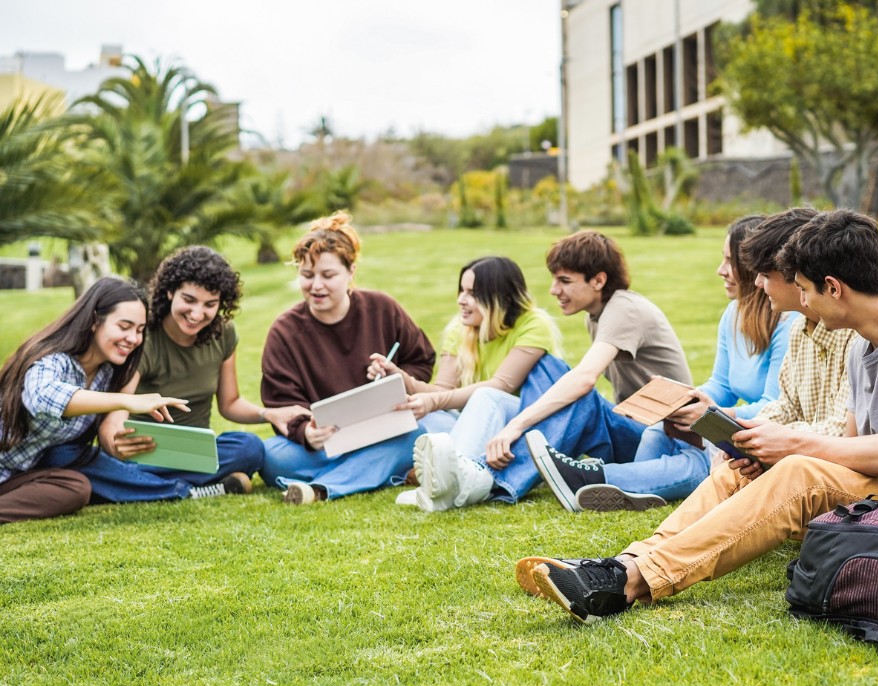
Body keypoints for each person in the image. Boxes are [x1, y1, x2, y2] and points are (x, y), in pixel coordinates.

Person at [521, 209, 878, 625]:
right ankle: (620, 565)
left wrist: (794, 448)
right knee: (738, 475)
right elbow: (850, 449)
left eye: (803, 289)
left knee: (800, 467)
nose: (796, 301)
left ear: (833, 287)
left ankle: (632, 583)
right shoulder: (864, 347)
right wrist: (769, 456)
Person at [407, 230, 693, 512]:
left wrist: (515, 425)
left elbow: (584, 378)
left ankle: (486, 476)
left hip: (665, 438)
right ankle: (467, 470)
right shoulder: (597, 316)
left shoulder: (623, 309)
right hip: (635, 427)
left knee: (579, 395)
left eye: (564, 281)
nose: (554, 290)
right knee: (548, 368)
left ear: (598, 280)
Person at [531, 215, 792, 513]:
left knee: (697, 461)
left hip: (768, 436)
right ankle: (633, 489)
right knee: (661, 427)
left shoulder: (788, 322)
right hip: (737, 427)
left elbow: (776, 405)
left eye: (729, 262)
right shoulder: (733, 314)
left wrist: (716, 413)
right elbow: (721, 385)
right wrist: (687, 401)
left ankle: (597, 478)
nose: (720, 271)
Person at [67, 248, 278, 502]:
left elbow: (230, 403)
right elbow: (114, 417)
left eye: (210, 305)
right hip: (143, 455)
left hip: (194, 455)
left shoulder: (224, 334)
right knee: (77, 460)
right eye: (189, 300)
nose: (197, 314)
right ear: (170, 292)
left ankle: (139, 488)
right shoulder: (144, 337)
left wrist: (269, 414)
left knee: (250, 448)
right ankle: (189, 490)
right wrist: (115, 444)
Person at [260, 212, 438, 505]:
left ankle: (321, 489)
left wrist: (395, 375)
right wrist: (305, 431)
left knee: (423, 431)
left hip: (384, 429)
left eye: (328, 276)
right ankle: (384, 468)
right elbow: (281, 404)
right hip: (326, 442)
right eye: (307, 276)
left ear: (351, 272)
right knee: (271, 457)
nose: (316, 286)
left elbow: (420, 362)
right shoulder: (284, 331)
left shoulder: (382, 308)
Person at [370, 256, 561, 510]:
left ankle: (444, 484)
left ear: (503, 298)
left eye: (473, 293)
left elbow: (501, 385)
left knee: (486, 395)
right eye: (462, 290)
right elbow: (442, 392)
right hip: (482, 427)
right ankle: (446, 477)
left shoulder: (534, 324)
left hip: (527, 428)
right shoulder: (459, 329)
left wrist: (432, 401)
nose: (461, 299)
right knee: (426, 418)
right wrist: (401, 378)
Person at [1, 279, 192, 523]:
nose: (133, 338)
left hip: (19, 476)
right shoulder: (52, 359)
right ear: (94, 321)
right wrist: (125, 401)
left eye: (139, 330)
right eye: (124, 326)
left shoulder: (108, 374)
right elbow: (42, 397)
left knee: (77, 487)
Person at [713, 207, 860, 483]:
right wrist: (746, 434)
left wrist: (772, 440)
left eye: (766, 275)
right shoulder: (798, 330)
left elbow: (843, 431)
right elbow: (785, 405)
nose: (757, 283)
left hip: (829, 474)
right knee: (725, 474)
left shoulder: (856, 334)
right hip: (805, 466)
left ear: (796, 274)